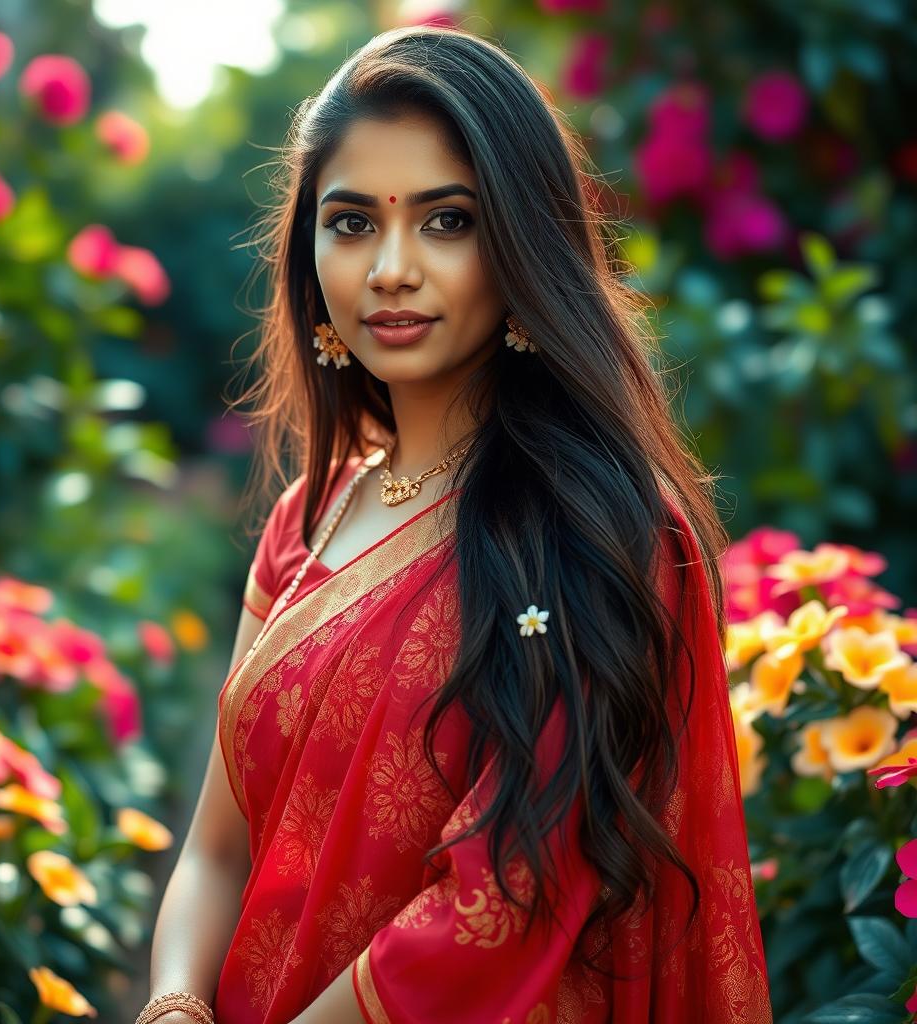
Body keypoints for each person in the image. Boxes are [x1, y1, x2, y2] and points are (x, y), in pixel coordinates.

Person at [136, 23, 773, 1024]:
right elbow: (218, 845)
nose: (390, 267)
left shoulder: (598, 531)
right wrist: (174, 999)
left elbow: (500, 903)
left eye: (445, 221)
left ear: (521, 242)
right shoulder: (311, 516)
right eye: (351, 224)